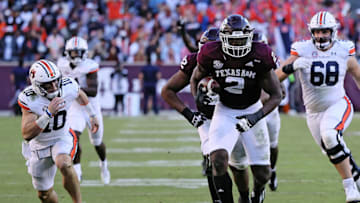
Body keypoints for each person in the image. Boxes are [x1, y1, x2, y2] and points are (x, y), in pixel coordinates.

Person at [190, 14, 282, 203]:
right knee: (218, 159)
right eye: (233, 40)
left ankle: (257, 194)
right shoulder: (210, 52)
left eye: (241, 39)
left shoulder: (260, 53)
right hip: (225, 110)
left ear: (249, 37)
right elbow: (195, 79)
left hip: (252, 108)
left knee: (263, 173)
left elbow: (276, 95)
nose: (237, 44)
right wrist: (200, 97)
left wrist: (255, 117)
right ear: (223, 38)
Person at [276, 11, 360, 202]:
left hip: (338, 103)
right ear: (311, 32)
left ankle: (350, 190)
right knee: (332, 150)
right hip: (313, 112)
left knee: (330, 135)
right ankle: (357, 179)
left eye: (325, 31)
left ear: (333, 32)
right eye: (317, 32)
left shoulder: (343, 49)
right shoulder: (302, 49)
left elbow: (358, 75)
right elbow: (276, 76)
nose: (321, 36)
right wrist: (293, 66)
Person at [18, 59, 99, 203]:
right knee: (44, 195)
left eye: (56, 81)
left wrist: (92, 115)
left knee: (64, 163)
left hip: (62, 137)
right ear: (37, 85)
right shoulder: (30, 98)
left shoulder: (68, 86)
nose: (54, 86)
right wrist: (47, 114)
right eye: (48, 84)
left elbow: (80, 94)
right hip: (39, 146)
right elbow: (26, 133)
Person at [162, 27, 222, 202]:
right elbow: (167, 91)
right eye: (204, 49)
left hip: (233, 112)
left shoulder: (234, 61)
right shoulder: (194, 61)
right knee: (214, 159)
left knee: (240, 163)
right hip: (208, 119)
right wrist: (190, 115)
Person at [57, 36, 110, 184]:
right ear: (67, 53)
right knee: (74, 137)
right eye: (73, 53)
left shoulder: (90, 66)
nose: (76, 56)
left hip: (91, 106)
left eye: (78, 52)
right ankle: (78, 171)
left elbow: (93, 90)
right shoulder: (61, 65)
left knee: (97, 142)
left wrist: (73, 88)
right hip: (75, 106)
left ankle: (104, 165)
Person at [253, 30, 282, 191]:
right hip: (251, 109)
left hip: (269, 111)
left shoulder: (271, 61)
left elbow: (281, 90)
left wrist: (267, 96)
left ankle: (273, 170)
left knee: (272, 145)